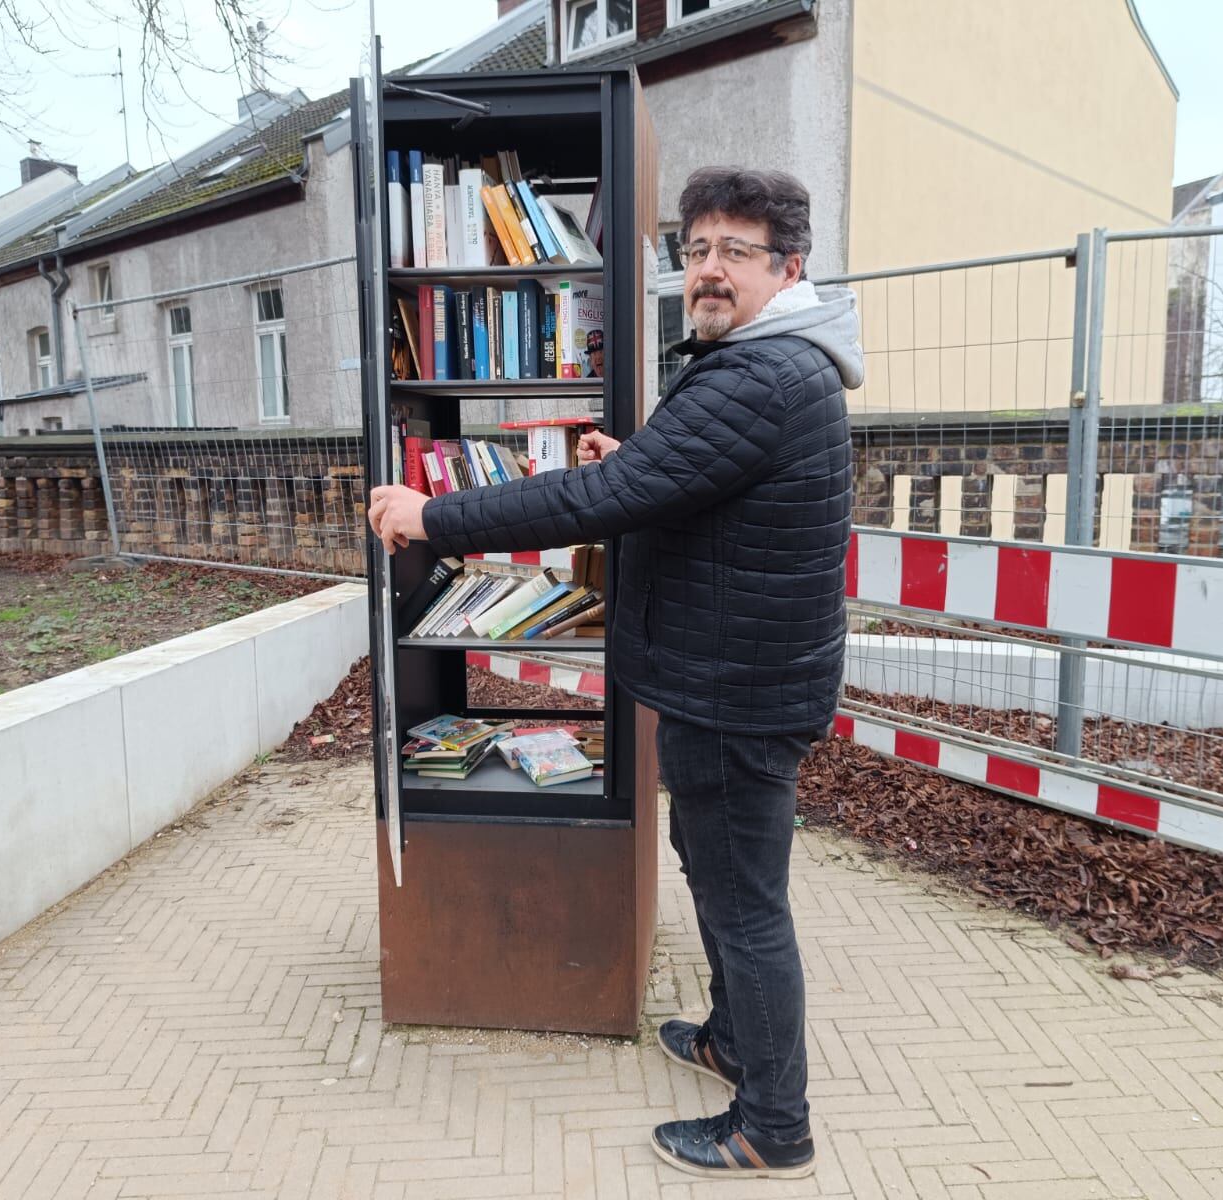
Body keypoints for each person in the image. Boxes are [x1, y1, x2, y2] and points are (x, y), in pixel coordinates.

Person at [368, 165, 861, 1180]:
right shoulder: (765, 363)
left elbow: (595, 503)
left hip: (736, 692)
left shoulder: (762, 374)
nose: (709, 270)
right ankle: (733, 1041)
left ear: (790, 267)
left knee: (744, 905)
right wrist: (639, 455)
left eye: (735, 251)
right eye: (697, 249)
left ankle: (775, 1126)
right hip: (734, 677)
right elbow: (685, 482)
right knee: (721, 875)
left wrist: (433, 516)